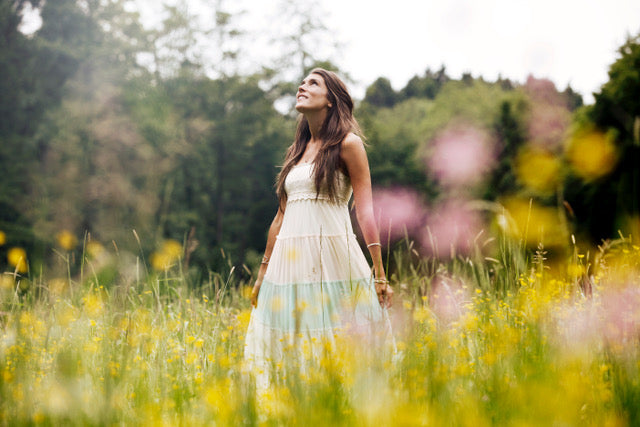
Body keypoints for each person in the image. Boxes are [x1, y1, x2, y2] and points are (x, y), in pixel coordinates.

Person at [244, 68, 393, 387]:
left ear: (331, 100)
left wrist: (379, 274)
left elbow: (365, 211)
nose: (302, 86)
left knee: (339, 340)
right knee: (289, 344)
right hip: (290, 264)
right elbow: (280, 217)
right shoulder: (296, 153)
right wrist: (261, 275)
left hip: (333, 259)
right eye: (302, 81)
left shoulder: (348, 145)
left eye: (313, 83)